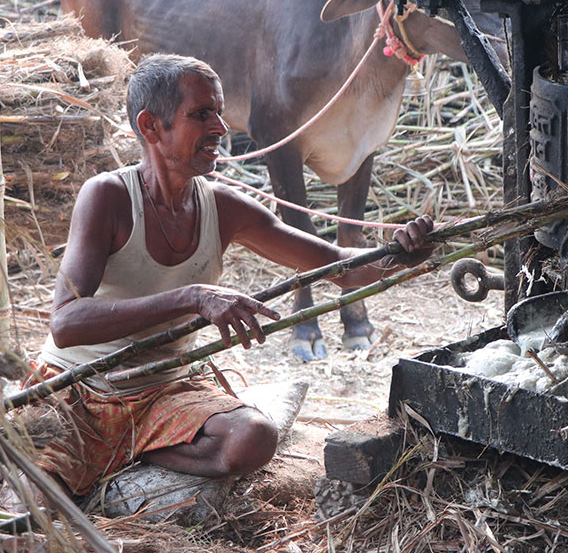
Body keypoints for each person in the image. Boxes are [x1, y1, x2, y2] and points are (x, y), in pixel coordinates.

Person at [30, 53, 436, 498]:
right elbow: (66, 324)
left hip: (161, 391)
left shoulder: (222, 207)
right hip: (80, 389)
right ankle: (122, 447)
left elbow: (335, 264)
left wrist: (402, 253)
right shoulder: (108, 196)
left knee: (253, 437)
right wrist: (193, 297)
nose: (221, 129)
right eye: (201, 114)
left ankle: (132, 446)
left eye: (219, 113)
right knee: (23, 505)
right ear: (150, 127)